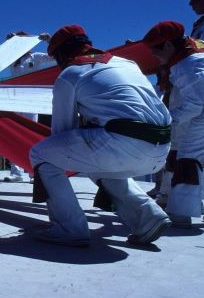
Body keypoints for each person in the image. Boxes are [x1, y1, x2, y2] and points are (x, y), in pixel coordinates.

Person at [29, 25, 172, 247]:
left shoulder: (70, 73)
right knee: (98, 159)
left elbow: (62, 133)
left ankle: (69, 228)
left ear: (62, 54)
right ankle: (148, 216)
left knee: (41, 153)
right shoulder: (126, 63)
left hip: (124, 144)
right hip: (160, 151)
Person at [142, 20, 204, 228]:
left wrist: (165, 122)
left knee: (187, 155)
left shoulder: (188, 65)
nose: (154, 57)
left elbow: (193, 107)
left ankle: (180, 213)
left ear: (168, 45)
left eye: (156, 51)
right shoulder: (196, 45)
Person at [3, 31, 56, 182]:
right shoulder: (12, 59)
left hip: (31, 100)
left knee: (30, 134)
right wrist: (8, 41)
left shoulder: (36, 57)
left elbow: (54, 56)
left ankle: (34, 171)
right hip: (14, 99)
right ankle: (16, 172)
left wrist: (49, 41)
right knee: (14, 134)